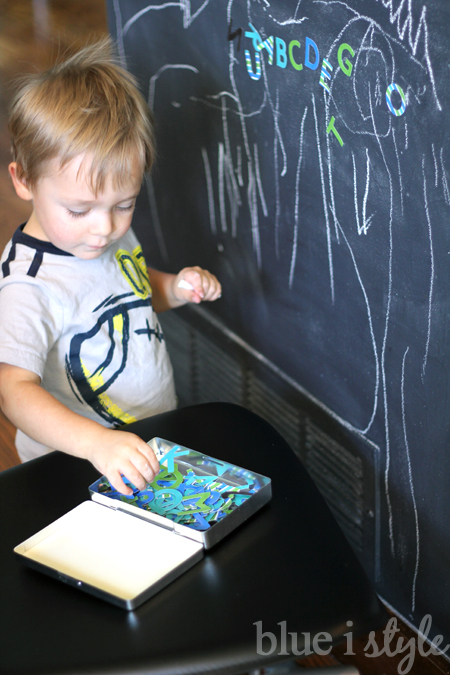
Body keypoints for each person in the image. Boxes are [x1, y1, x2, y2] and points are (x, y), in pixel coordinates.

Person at [0, 39, 221, 495]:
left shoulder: (109, 234)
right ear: (23, 179)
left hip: (140, 446)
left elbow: (133, 292)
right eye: (79, 210)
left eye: (125, 204)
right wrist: (97, 443)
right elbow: (13, 391)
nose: (104, 229)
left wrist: (175, 288)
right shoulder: (28, 285)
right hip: (70, 466)